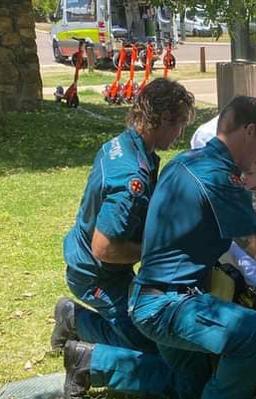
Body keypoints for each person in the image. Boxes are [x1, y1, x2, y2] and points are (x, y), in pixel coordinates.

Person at [62, 96, 256, 399]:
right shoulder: (222, 178)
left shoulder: (184, 162)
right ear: (249, 131)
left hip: (147, 296)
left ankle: (90, 363)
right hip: (171, 306)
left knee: (193, 383)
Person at [52, 78, 195, 355]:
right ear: (164, 118)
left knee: (151, 327)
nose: (179, 134)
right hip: (96, 275)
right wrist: (154, 251)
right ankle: (73, 319)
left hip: (98, 265)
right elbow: (105, 248)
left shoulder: (120, 145)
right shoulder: (133, 178)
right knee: (149, 344)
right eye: (180, 125)